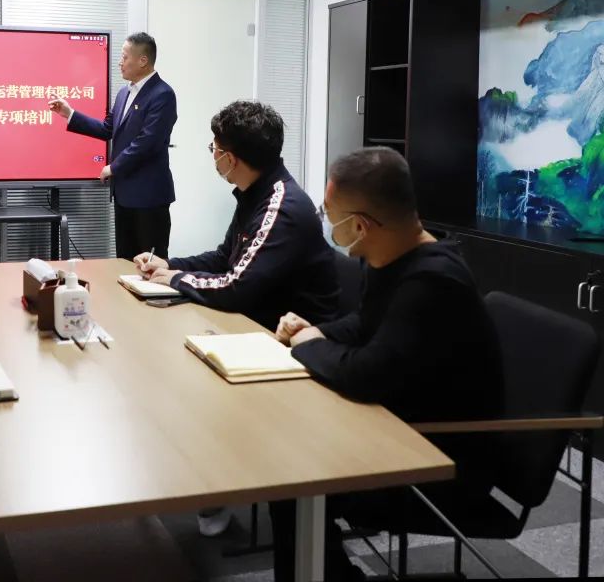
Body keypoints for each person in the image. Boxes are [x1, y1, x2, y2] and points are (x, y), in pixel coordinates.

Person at [270, 147, 504, 582]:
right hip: (402, 424)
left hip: (441, 457)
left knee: (294, 479)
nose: (327, 223)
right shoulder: (393, 255)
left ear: (359, 226)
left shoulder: (432, 281)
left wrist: (306, 345)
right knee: (290, 465)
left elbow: (366, 374)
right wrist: (317, 331)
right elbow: (366, 323)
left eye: (329, 214)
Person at [137, 100, 338, 332]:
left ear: (230, 159)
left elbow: (237, 288)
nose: (213, 155)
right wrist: (169, 264)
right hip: (256, 321)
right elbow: (225, 258)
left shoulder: (280, 208)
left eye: (214, 149)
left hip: (287, 338)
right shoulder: (256, 192)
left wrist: (176, 278)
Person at [48, 32, 177, 261]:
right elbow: (108, 128)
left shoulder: (162, 94)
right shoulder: (123, 93)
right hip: (124, 194)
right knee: (124, 262)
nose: (120, 62)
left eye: (125, 57)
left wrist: (113, 167)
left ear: (143, 60)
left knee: (150, 264)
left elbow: (147, 142)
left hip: (149, 198)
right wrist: (70, 114)